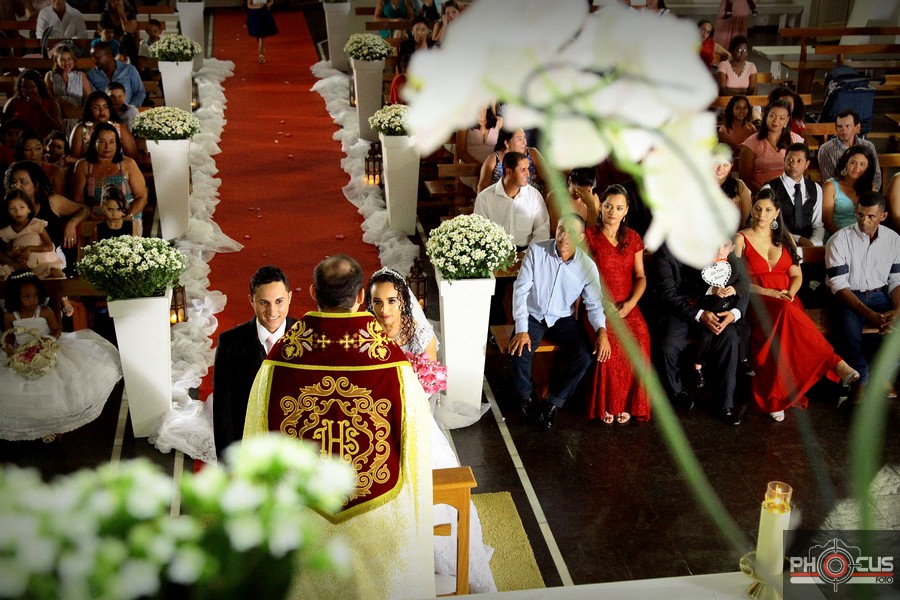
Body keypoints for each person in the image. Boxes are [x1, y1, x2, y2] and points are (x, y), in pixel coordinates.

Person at [243, 254, 436, 600]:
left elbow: (254, 450)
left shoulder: (277, 363)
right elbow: (416, 453)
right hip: (376, 516)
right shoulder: (394, 366)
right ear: (361, 296)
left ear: (313, 293)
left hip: (303, 522)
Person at [734, 188, 859, 421]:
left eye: (768, 210)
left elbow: (796, 276)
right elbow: (736, 281)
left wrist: (789, 294)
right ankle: (834, 363)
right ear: (752, 209)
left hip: (787, 300)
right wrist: (769, 292)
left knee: (786, 320)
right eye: (758, 209)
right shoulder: (740, 239)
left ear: (776, 213)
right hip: (756, 300)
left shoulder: (785, 238)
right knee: (784, 314)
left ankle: (777, 397)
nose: (761, 214)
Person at [510, 213, 610, 429]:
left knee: (584, 356)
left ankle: (553, 402)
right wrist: (521, 329)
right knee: (519, 350)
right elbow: (520, 290)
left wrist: (602, 331)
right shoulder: (536, 251)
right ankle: (527, 397)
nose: (564, 236)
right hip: (533, 314)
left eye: (571, 232)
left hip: (562, 317)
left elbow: (594, 305)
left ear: (581, 237)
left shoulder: (587, 266)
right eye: (561, 229)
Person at [0, 270, 122, 443]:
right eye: (26, 296)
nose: (32, 300)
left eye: (35, 295)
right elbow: (9, 336)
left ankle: (57, 424)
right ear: (15, 297)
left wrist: (48, 340)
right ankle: (41, 425)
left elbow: (56, 329)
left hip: (48, 349)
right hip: (24, 353)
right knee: (27, 390)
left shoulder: (44, 311)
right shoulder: (10, 316)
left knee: (56, 386)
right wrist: (9, 348)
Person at [653, 241, 748, 425]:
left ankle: (725, 404)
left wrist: (735, 313)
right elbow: (668, 294)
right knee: (668, 344)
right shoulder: (666, 251)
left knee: (729, 337)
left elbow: (741, 279)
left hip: (714, 307)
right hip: (679, 309)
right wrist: (698, 314)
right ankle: (676, 392)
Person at [584, 185, 651, 423]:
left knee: (641, 338)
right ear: (601, 207)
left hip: (627, 304)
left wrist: (631, 304)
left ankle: (631, 403)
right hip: (596, 305)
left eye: (619, 208)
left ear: (626, 211)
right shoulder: (589, 236)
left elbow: (641, 277)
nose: (613, 212)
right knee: (610, 343)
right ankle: (609, 404)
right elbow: (581, 277)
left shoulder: (633, 238)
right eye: (608, 206)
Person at [212, 265, 295, 458]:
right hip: (249, 450)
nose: (272, 311)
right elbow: (223, 411)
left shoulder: (306, 337)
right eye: (264, 303)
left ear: (290, 297)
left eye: (279, 301)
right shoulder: (229, 343)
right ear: (251, 300)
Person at [825, 191, 900, 397]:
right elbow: (839, 285)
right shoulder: (839, 240)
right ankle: (862, 379)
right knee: (849, 333)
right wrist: (870, 314)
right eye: (860, 214)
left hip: (880, 295)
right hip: (848, 296)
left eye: (871, 216)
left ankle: (880, 376)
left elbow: (896, 280)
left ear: (883, 216)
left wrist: (897, 310)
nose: (863, 221)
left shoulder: (894, 240)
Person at [4, 160, 89, 272]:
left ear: (36, 185)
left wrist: (72, 222)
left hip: (52, 264)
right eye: (13, 182)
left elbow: (84, 210)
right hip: (18, 268)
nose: (16, 186)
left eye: (23, 182)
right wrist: (17, 266)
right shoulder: (4, 209)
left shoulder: (53, 202)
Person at [71, 122, 147, 234]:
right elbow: (78, 200)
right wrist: (91, 216)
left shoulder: (128, 164)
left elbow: (141, 197)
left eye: (112, 142)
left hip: (127, 219)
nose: (107, 147)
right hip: (95, 219)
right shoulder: (83, 165)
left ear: (117, 145)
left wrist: (128, 216)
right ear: (93, 143)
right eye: (102, 142)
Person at [474, 151, 550, 251]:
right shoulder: (485, 197)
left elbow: (542, 231)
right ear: (509, 172)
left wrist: (528, 254)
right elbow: (480, 232)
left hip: (527, 253)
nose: (528, 174)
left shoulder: (534, 196)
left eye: (528, 169)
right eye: (523, 170)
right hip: (495, 254)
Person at [761, 142, 824, 247]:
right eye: (790, 160)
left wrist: (813, 244)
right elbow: (765, 225)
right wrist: (797, 239)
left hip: (809, 245)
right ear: (784, 160)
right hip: (778, 245)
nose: (794, 165)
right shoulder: (769, 189)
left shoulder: (816, 188)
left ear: (807, 164)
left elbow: (817, 224)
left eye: (799, 161)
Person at [739, 99, 804, 194]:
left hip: (791, 193)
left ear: (787, 120)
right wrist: (765, 194)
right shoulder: (751, 143)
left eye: (782, 118)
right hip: (761, 194)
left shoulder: (795, 140)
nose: (776, 121)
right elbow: (745, 178)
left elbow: (803, 170)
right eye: (772, 116)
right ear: (766, 116)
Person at [0, 189, 64, 279]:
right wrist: (14, 253)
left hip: (40, 263)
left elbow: (50, 246)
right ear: (7, 211)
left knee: (54, 273)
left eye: (22, 207)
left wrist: (29, 248)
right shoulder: (7, 232)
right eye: (12, 208)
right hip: (21, 266)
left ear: (29, 209)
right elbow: (10, 254)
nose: (18, 211)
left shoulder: (36, 224)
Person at [817, 109, 882, 192]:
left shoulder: (869, 146)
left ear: (857, 127)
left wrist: (869, 194)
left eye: (847, 126)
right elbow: (829, 180)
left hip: (866, 193)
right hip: (840, 194)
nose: (843, 130)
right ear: (836, 128)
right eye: (840, 126)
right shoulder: (826, 149)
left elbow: (876, 176)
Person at [822, 144, 878, 236]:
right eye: (853, 163)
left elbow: (873, 219)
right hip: (836, 236)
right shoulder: (830, 186)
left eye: (862, 164)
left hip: (862, 236)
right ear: (846, 162)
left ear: (867, 166)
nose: (857, 168)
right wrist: (844, 239)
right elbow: (827, 221)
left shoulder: (870, 187)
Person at [476, 127, 548, 195]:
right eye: (519, 139)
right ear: (507, 143)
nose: (525, 142)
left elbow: (548, 180)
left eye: (524, 137)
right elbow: (483, 187)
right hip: (500, 200)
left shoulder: (532, 153)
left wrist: (545, 199)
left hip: (532, 199)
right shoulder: (494, 158)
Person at [69, 90, 137, 159]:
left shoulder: (120, 128)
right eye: (96, 107)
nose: (102, 111)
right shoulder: (81, 129)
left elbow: (132, 157)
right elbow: (73, 159)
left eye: (105, 107)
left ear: (110, 109)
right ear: (89, 109)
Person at [44, 45, 93, 138]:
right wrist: (61, 102)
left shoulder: (81, 75)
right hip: (58, 116)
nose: (67, 62)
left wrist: (81, 115)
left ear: (73, 59)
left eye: (69, 59)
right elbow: (48, 97)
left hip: (77, 116)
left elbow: (89, 98)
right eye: (62, 59)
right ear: (56, 61)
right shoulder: (50, 76)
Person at [2, 70, 63, 140]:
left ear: (39, 87)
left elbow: (57, 128)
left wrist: (39, 107)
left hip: (43, 141)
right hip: (19, 141)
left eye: (33, 87)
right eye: (25, 87)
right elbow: (4, 126)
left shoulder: (51, 103)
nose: (29, 90)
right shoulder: (13, 102)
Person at [87, 41, 146, 108]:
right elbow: (94, 98)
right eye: (92, 57)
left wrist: (129, 108)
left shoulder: (129, 69)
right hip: (106, 112)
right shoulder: (91, 75)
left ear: (109, 56)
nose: (94, 61)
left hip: (129, 110)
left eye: (97, 57)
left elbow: (140, 92)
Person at [14, 129, 66, 197]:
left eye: (38, 148)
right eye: (28, 149)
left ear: (43, 147)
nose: (34, 154)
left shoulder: (54, 171)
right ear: (21, 150)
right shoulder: (15, 171)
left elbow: (61, 200)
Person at [547, 166, 599, 233]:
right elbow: (555, 230)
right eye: (575, 191)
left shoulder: (593, 198)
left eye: (585, 192)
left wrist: (590, 205)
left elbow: (593, 231)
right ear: (570, 180)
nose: (578, 195)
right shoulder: (555, 197)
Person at [713, 144, 751, 226]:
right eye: (716, 163)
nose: (720, 168)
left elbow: (746, 220)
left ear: (731, 166)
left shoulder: (739, 186)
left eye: (725, 165)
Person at [717, 95, 756, 159]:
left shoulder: (751, 128)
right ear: (731, 109)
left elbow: (756, 149)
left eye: (744, 108)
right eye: (738, 108)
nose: (742, 111)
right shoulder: (724, 129)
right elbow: (723, 152)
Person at [246, 0, 278, 64]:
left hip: (264, 14)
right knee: (259, 34)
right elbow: (249, 5)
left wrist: (269, 4)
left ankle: (261, 55)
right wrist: (257, 6)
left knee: (262, 35)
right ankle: (261, 47)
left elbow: (271, 1)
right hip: (255, 15)